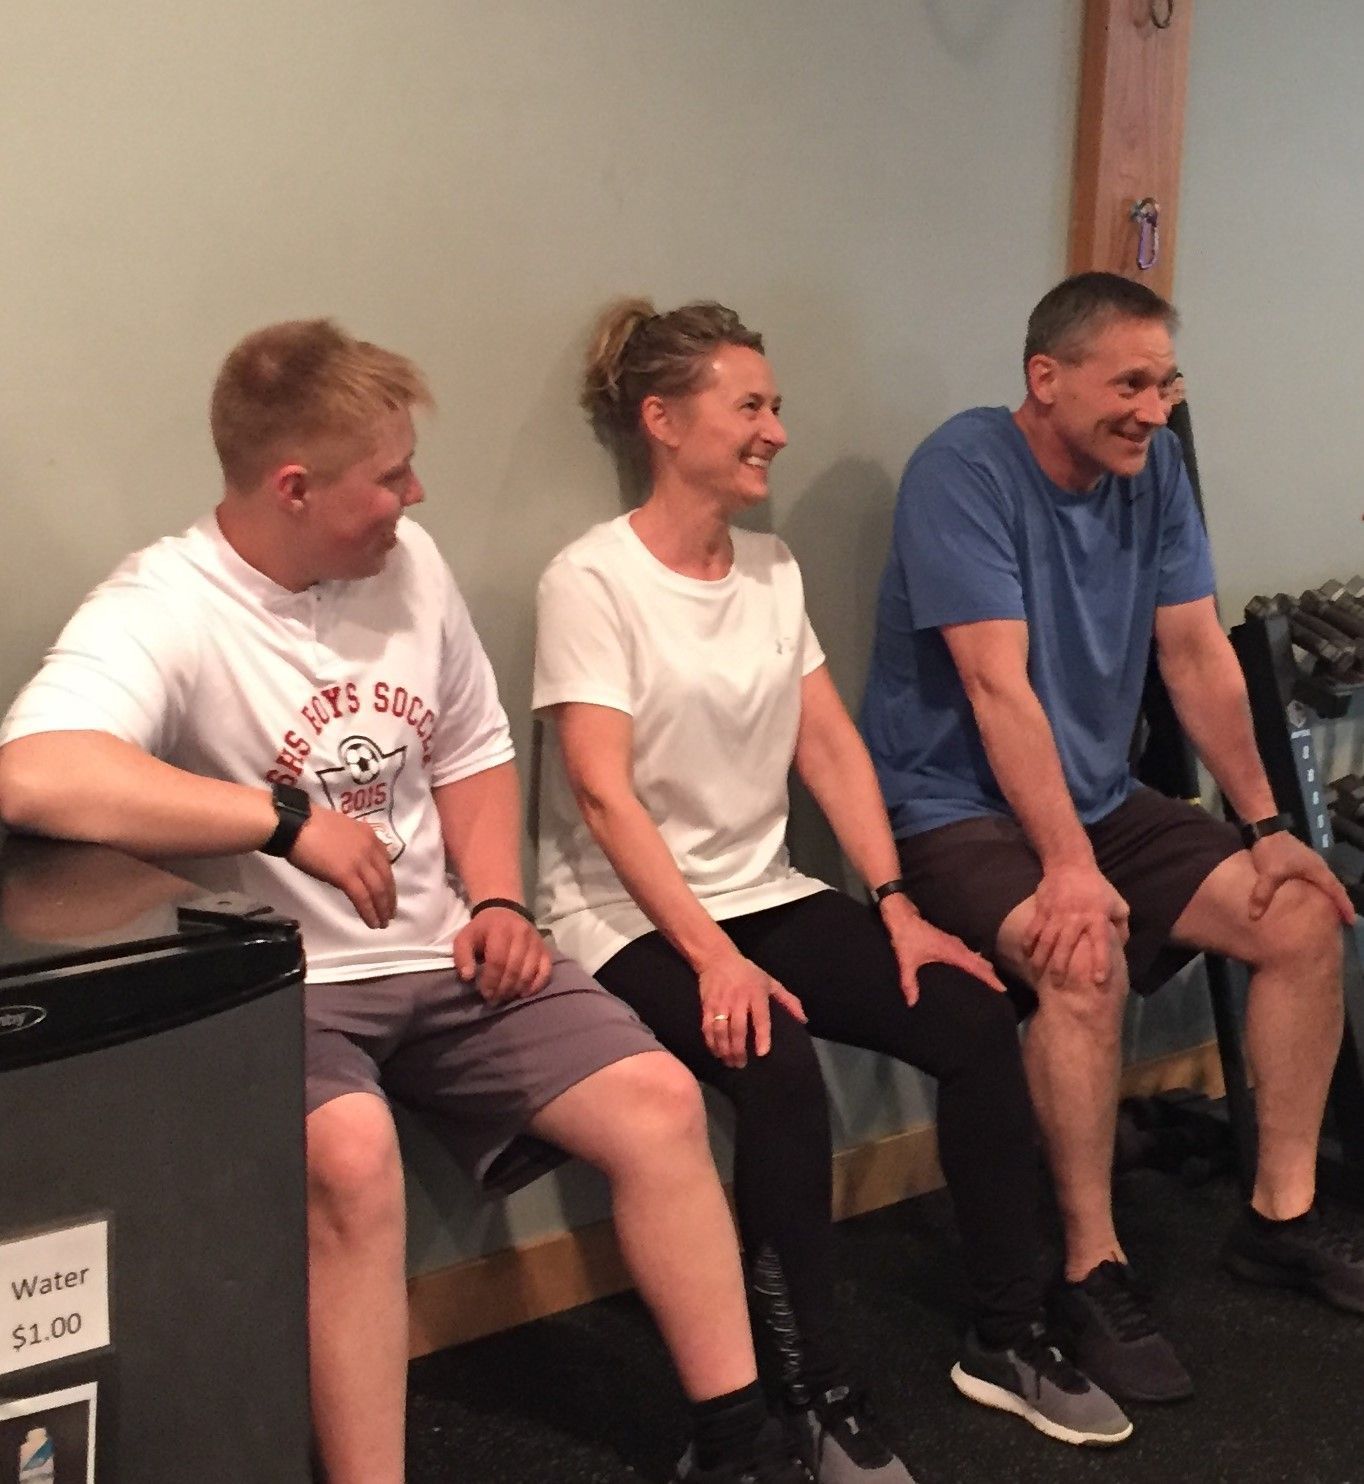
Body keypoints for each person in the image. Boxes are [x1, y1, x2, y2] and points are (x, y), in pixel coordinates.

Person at [0, 320, 810, 1484]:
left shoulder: (406, 564)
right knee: (354, 1156)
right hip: (290, 992)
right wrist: (284, 820)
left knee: (658, 1102)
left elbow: (474, 746)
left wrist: (496, 900)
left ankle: (736, 1442)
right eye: (388, 474)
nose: (413, 494)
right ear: (294, 486)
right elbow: (34, 772)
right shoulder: (167, 600)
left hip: (450, 957)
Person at [533, 297, 1132, 1483]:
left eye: (775, 406)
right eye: (749, 407)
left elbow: (829, 748)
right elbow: (603, 799)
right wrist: (709, 955)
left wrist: (899, 905)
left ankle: (1006, 1334)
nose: (775, 432)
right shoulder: (589, 580)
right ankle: (808, 1397)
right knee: (779, 1071)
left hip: (766, 889)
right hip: (622, 917)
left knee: (969, 1015)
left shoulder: (768, 565)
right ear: (663, 420)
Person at [859, 271, 1364, 1406]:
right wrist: (1071, 870)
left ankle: (1276, 1212)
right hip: (956, 806)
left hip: (1091, 798)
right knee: (1075, 954)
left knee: (1295, 913)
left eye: (1164, 380)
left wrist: (1265, 824)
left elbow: (1191, 653)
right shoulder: (963, 469)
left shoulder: (1158, 471)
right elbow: (996, 690)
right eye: (1127, 383)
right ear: (1044, 379)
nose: (1151, 406)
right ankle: (1089, 1262)